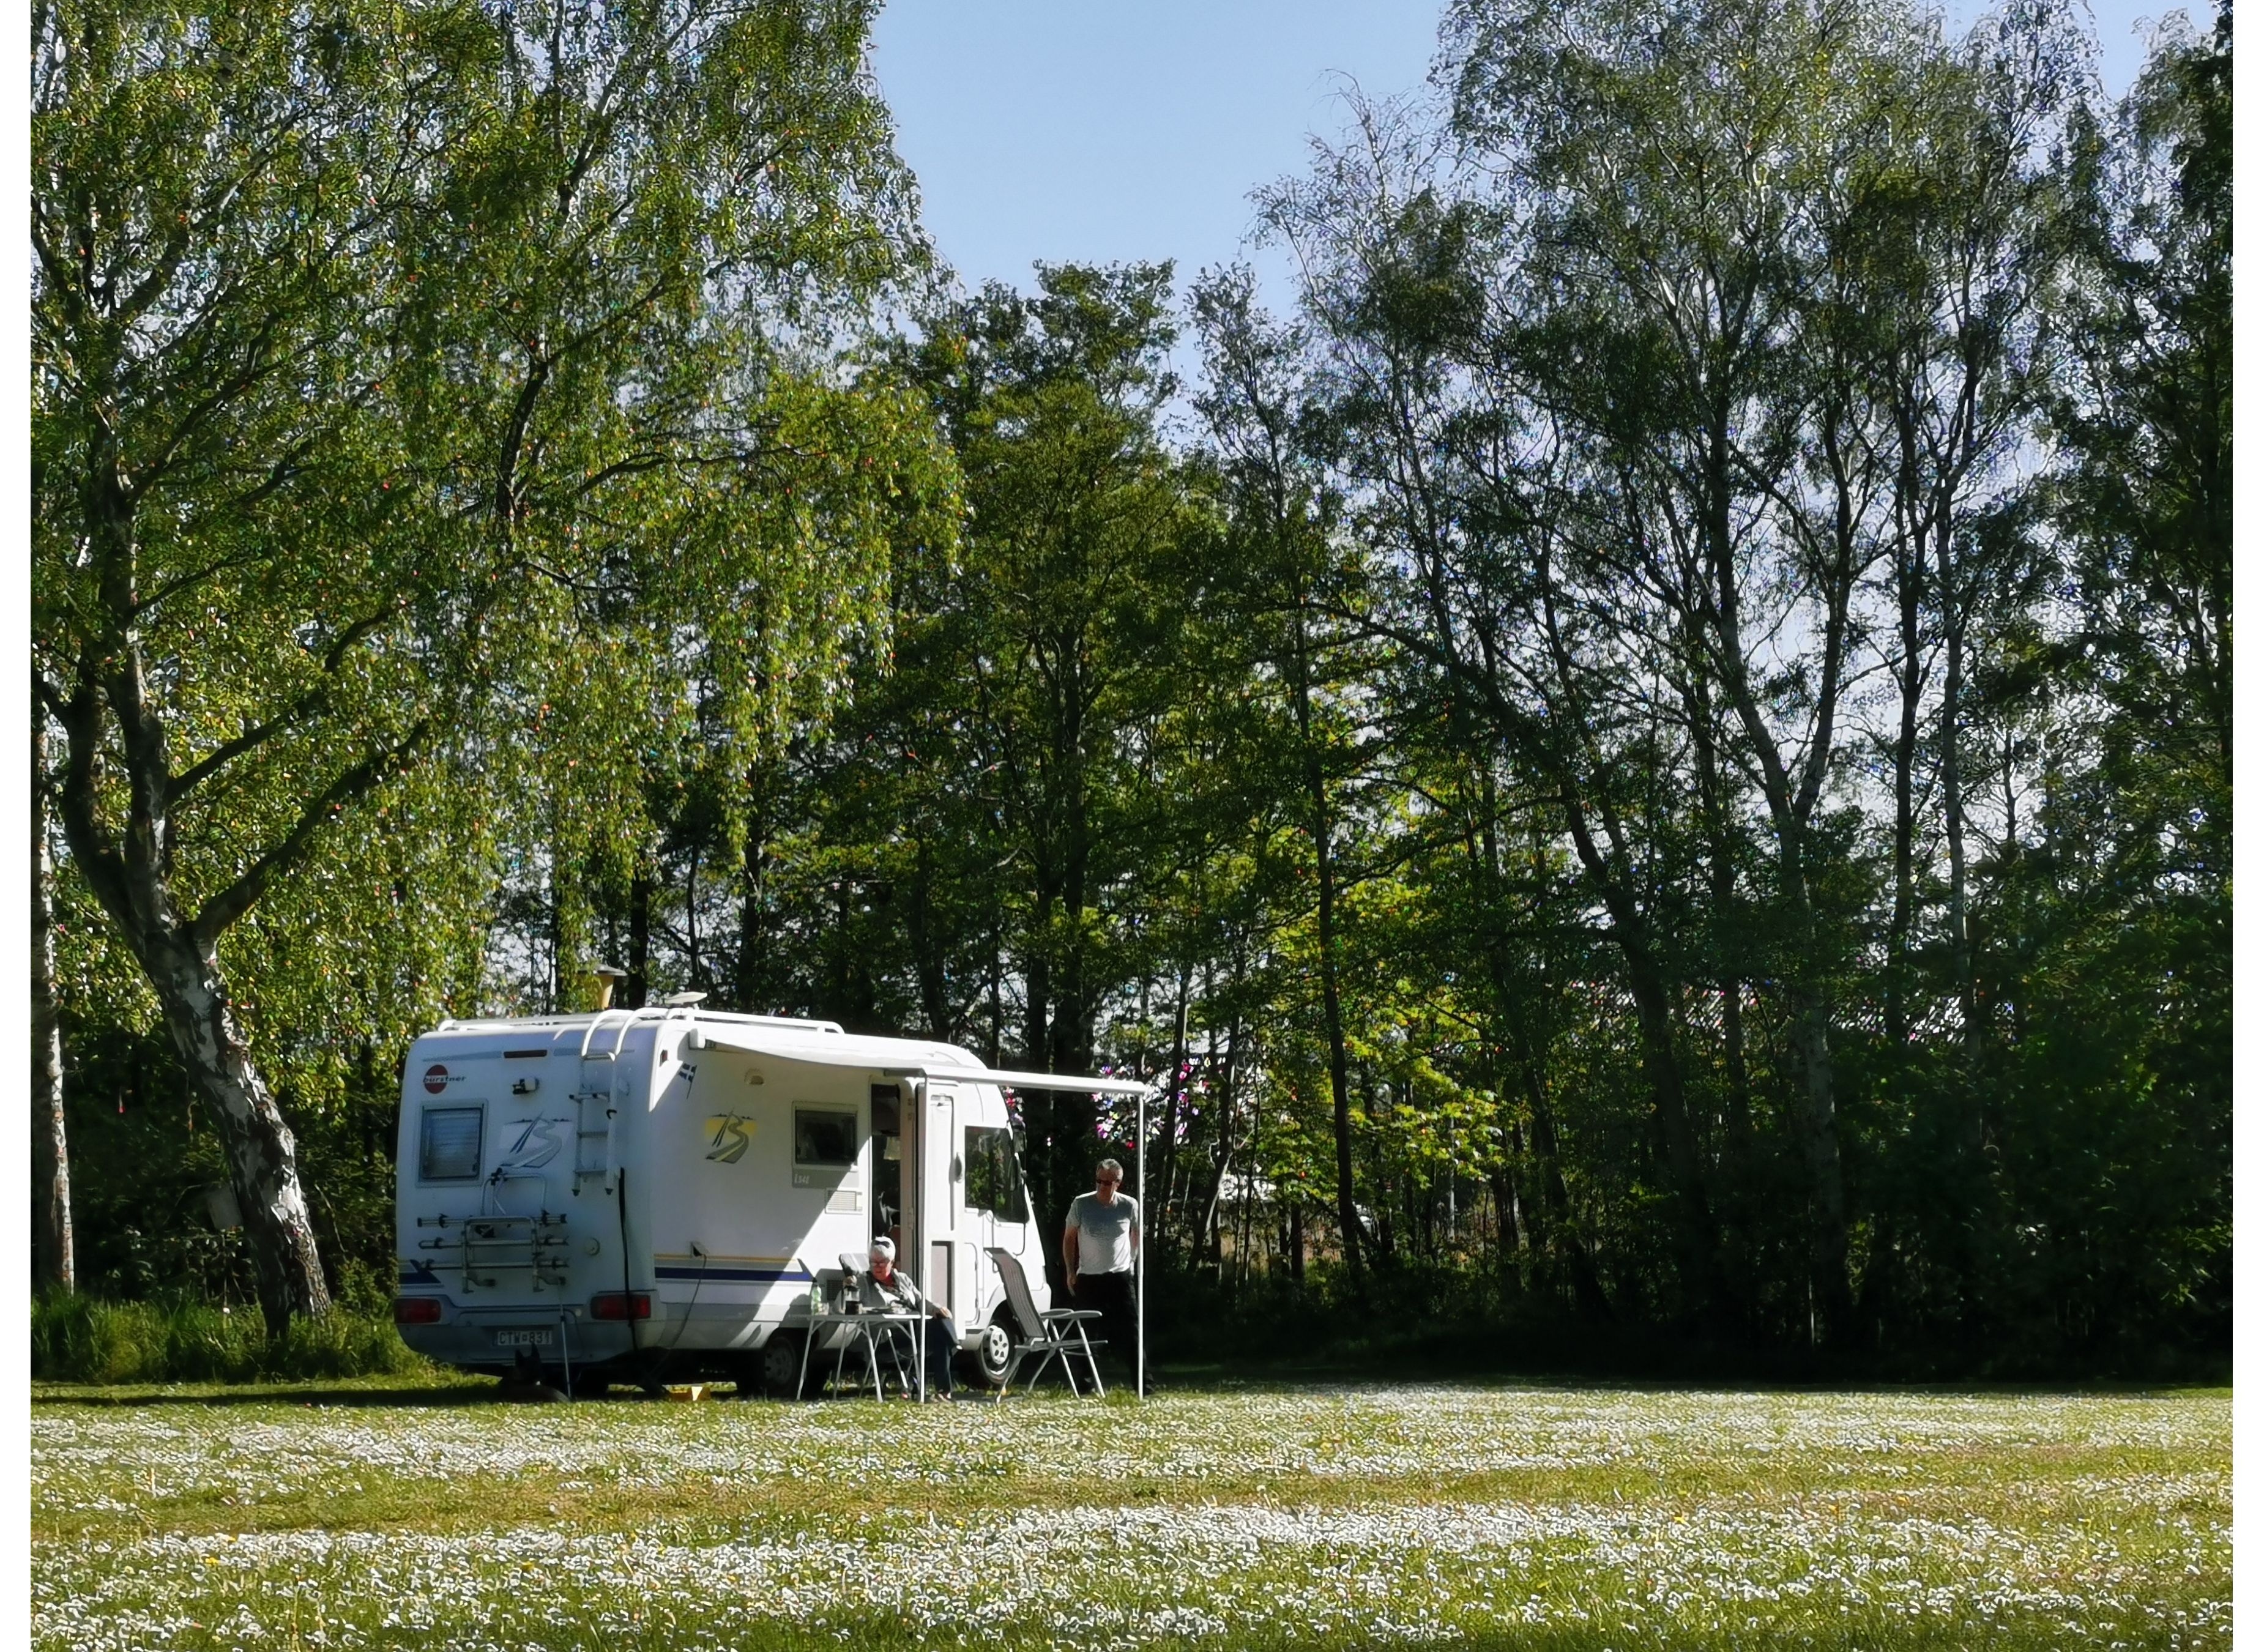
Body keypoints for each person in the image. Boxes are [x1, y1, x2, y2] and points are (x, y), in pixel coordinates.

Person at [1062, 1158, 1142, 1387]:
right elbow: (1069, 1237)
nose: (1102, 1187)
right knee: (1088, 1333)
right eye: (1099, 1181)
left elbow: (1136, 1233)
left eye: (1108, 1183)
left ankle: (1142, 1384)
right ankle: (1085, 1385)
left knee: (1131, 1330)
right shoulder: (1081, 1204)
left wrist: (1132, 1261)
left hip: (1120, 1276)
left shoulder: (1129, 1205)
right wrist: (1070, 1270)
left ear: (1118, 1183)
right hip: (1089, 1277)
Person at [858, 1237, 958, 1400]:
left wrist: (936, 1309)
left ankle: (944, 1392)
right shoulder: (864, 1283)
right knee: (941, 1335)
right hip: (886, 1339)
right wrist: (848, 1289)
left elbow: (919, 1301)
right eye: (873, 1262)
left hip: (910, 1332)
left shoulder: (903, 1279)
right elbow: (844, 1308)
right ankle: (954, 1348)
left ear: (892, 1262)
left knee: (940, 1322)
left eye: (882, 1262)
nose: (877, 1266)